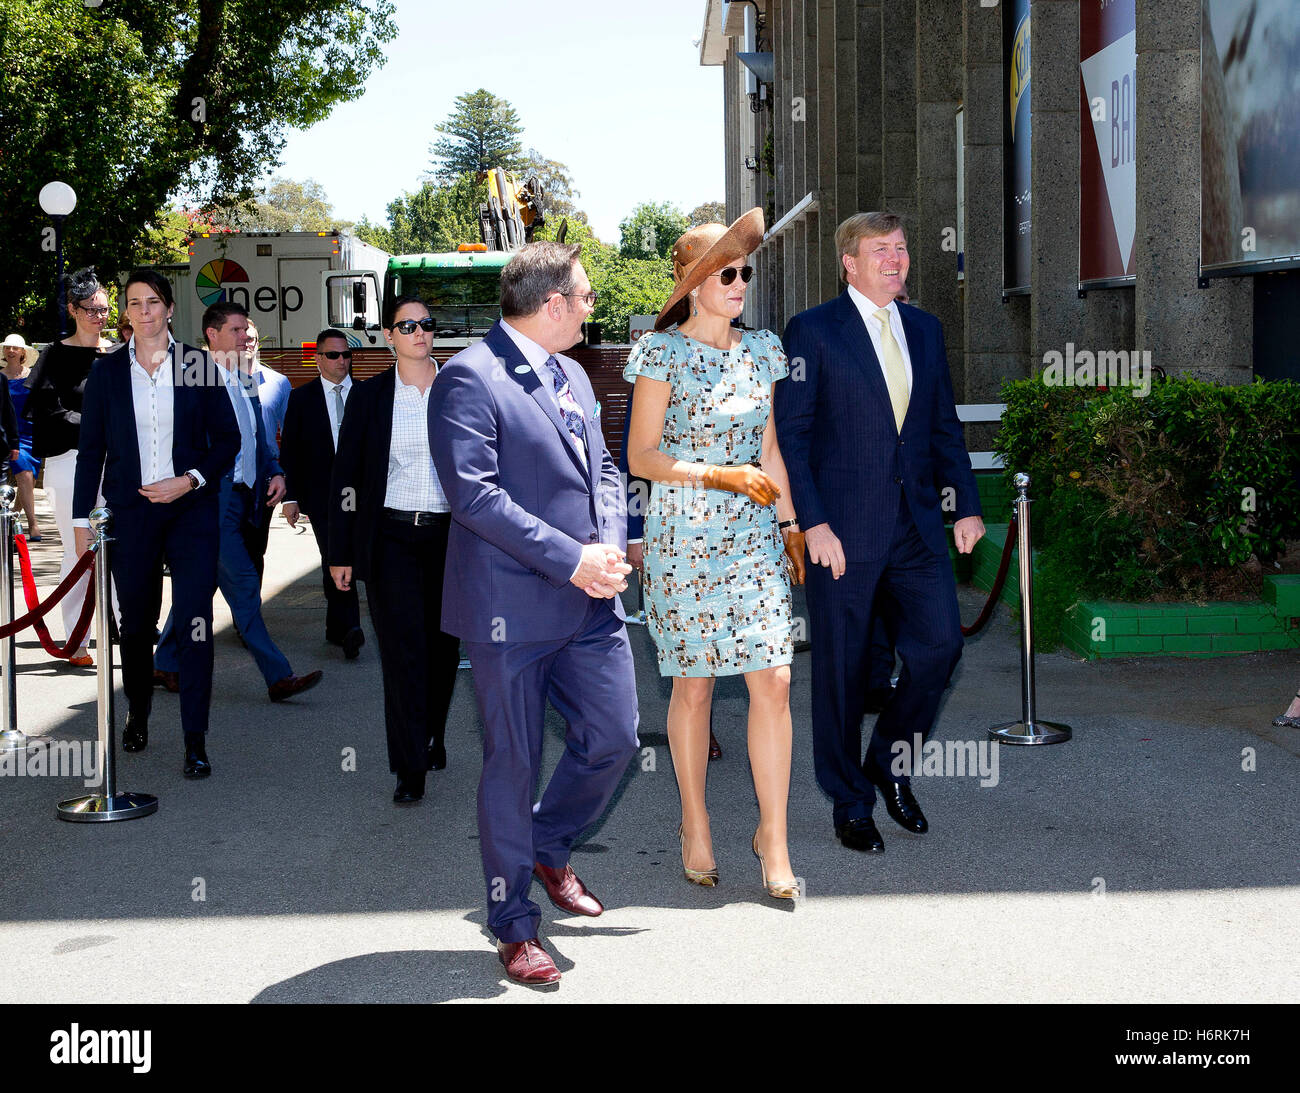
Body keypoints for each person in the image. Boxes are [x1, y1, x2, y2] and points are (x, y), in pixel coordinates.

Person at [429, 242, 639, 987]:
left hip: (590, 600)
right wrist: (571, 557)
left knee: (614, 738)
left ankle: (549, 843)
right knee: (512, 765)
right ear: (551, 303)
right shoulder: (467, 378)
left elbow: (606, 470)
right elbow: (476, 497)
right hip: (509, 610)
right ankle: (513, 923)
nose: (590, 307)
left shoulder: (576, 374)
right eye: (583, 296)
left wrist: (608, 547)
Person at [775, 211, 985, 854]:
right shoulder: (812, 331)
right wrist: (813, 523)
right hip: (842, 532)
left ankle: (889, 765)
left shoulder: (924, 329)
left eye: (901, 249)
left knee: (939, 650)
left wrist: (967, 506)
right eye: (880, 251)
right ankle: (850, 799)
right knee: (840, 674)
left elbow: (943, 426)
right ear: (850, 263)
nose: (895, 260)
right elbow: (794, 436)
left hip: (916, 530)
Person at [624, 209, 805, 898]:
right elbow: (642, 454)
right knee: (694, 684)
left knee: (775, 681)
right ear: (695, 284)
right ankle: (694, 821)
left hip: (755, 535)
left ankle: (773, 835)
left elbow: (769, 449)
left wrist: (790, 521)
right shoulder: (659, 352)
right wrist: (717, 475)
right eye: (726, 272)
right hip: (683, 535)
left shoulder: (763, 349)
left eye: (744, 271)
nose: (740, 282)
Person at [72, 269, 240, 778]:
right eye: (133, 302)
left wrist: (188, 480)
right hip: (132, 514)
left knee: (194, 622)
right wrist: (83, 519)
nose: (143, 310)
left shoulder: (197, 366)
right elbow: (91, 452)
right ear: (125, 312)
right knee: (136, 623)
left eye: (152, 301)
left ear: (168, 308)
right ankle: (138, 712)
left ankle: (195, 738)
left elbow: (228, 441)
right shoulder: (106, 372)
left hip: (189, 512)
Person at [153, 301, 322, 705]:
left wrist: (276, 471)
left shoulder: (245, 381)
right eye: (236, 330)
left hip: (244, 499)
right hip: (210, 503)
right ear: (212, 335)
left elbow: (257, 440)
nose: (245, 337)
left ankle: (163, 661)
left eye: (246, 330)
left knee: (202, 582)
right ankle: (278, 676)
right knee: (244, 585)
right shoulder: (192, 382)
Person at [328, 298, 460, 803]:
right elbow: (346, 477)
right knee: (402, 652)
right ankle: (409, 766)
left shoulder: (458, 388)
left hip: (451, 538)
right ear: (389, 335)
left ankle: (432, 733)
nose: (420, 333)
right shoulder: (370, 397)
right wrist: (341, 552)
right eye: (408, 326)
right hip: (390, 539)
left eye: (426, 325)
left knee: (443, 649)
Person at [25, 268, 115, 667]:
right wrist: (96, 427)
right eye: (91, 309)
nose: (99, 316)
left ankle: (122, 629)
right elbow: (48, 411)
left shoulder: (119, 353)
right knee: (78, 551)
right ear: (73, 310)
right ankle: (76, 638)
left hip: (118, 464)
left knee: (120, 550)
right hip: (70, 463)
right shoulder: (54, 355)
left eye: (105, 309)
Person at [281, 329, 362, 658]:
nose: (341, 361)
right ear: (318, 358)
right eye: (333, 355)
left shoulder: (366, 394)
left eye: (345, 355)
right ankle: (352, 628)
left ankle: (335, 626)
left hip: (363, 495)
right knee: (335, 555)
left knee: (351, 558)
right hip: (323, 496)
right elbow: (292, 452)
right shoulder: (302, 399)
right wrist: (291, 497)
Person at [240, 320, 292, 583]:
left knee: (254, 549)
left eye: (252, 338)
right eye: (242, 337)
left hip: (264, 480)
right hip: (226, 479)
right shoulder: (212, 380)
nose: (247, 342)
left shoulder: (278, 383)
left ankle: (247, 618)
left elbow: (292, 437)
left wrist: (288, 491)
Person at [2, 335, 41, 538]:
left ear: (22, 352)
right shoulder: (0, 377)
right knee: (24, 473)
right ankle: (33, 525)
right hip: (8, 434)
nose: (10, 351)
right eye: (7, 347)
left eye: (15, 348)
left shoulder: (32, 376)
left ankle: (14, 516)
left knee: (29, 478)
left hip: (31, 432)